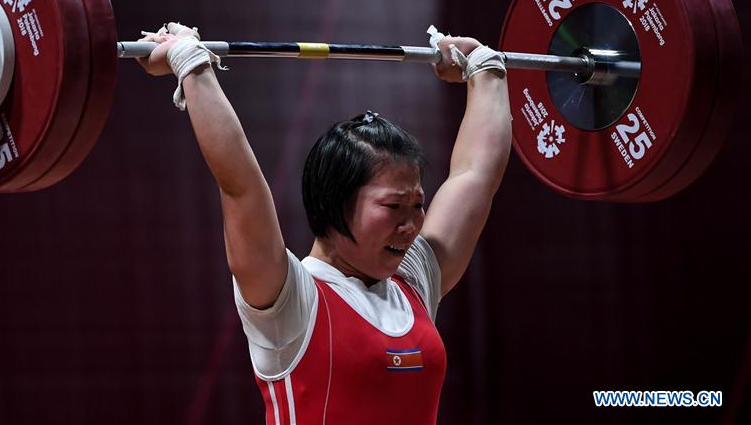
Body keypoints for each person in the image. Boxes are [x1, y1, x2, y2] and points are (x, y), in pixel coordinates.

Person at [138, 23, 511, 424]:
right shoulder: (290, 300)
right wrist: (192, 65)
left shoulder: (413, 282)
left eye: (418, 205)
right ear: (334, 203)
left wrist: (485, 67)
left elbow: (475, 175)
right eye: (393, 206)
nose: (411, 225)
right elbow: (240, 186)